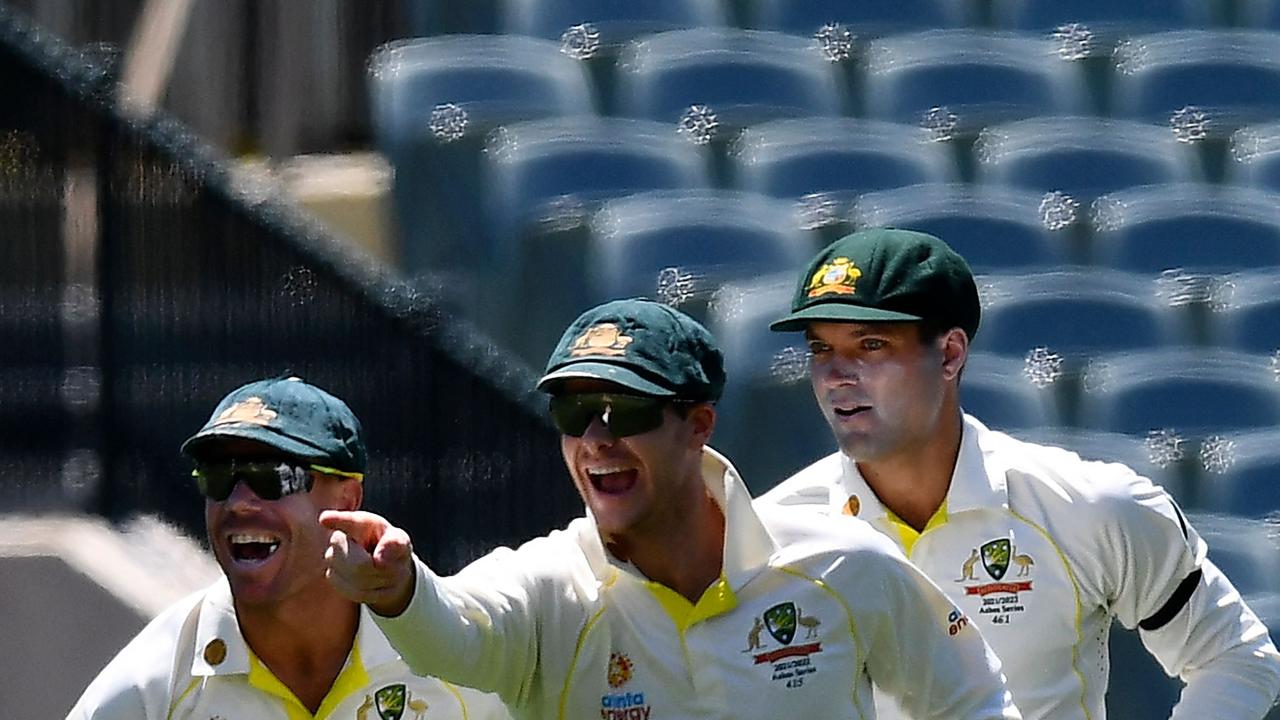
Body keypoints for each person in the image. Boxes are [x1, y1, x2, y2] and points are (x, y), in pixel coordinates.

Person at [321, 298, 1022, 719]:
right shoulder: (549, 588)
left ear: (699, 426)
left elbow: (973, 699)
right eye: (573, 411)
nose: (597, 439)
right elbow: (456, 634)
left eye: (626, 409)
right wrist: (399, 590)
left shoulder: (842, 563)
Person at [759, 228, 1280, 719]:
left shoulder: (1088, 504)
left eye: (870, 345)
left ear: (950, 353)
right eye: (819, 349)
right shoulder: (763, 536)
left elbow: (1238, 657)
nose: (835, 376)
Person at [68, 376, 511, 720]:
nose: (239, 502)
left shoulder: (452, 661)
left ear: (348, 499)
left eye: (274, 475)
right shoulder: (153, 685)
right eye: (218, 477)